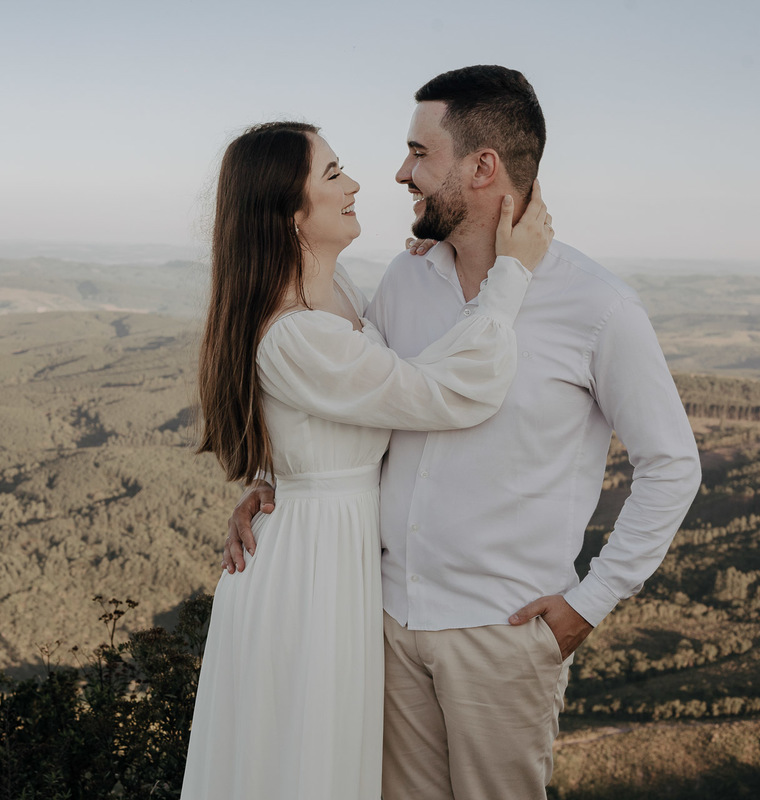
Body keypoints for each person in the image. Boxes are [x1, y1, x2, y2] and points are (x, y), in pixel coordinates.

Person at [223, 66, 702, 800]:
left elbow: (671, 465)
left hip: (501, 632)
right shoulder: (404, 279)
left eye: (419, 153)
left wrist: (591, 601)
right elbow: (350, 398)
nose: (399, 173)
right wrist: (276, 481)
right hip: (381, 619)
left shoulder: (599, 307)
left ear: (482, 167)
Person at [182, 119, 552, 800]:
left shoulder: (339, 288)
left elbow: (340, 401)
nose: (354, 184)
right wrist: (511, 274)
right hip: (310, 569)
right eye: (332, 175)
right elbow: (445, 392)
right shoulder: (295, 332)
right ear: (289, 212)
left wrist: (272, 477)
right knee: (303, 757)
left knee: (326, 753)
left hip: (342, 553)